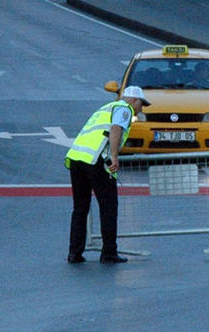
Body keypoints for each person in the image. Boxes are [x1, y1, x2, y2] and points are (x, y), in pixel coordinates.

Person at [65, 86, 151, 264]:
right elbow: (116, 128)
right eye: (141, 104)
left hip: (76, 158)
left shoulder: (106, 108)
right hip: (97, 160)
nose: (141, 109)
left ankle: (74, 253)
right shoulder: (124, 109)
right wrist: (114, 156)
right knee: (109, 207)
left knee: (80, 208)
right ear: (134, 100)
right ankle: (109, 252)